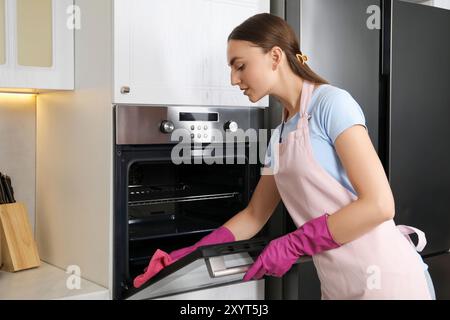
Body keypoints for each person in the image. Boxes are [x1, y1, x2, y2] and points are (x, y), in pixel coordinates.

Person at [133, 13, 435, 300]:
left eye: (240, 66)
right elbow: (254, 215)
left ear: (275, 57)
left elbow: (380, 204)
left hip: (389, 280)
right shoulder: (277, 138)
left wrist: (294, 244)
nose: (233, 79)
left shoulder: (332, 104)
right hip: (338, 286)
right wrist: (191, 255)